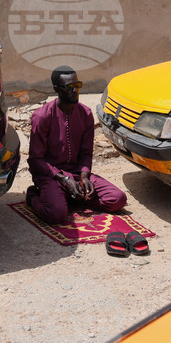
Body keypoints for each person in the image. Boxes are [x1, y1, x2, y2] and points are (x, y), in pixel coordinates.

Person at [26, 65, 127, 224]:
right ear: (57, 89)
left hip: (76, 173)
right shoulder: (42, 116)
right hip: (51, 176)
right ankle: (34, 196)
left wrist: (84, 176)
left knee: (118, 199)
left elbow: (86, 153)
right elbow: (35, 160)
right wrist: (64, 179)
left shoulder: (85, 114)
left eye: (77, 85)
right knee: (56, 214)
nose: (75, 90)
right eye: (69, 87)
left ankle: (74, 195)